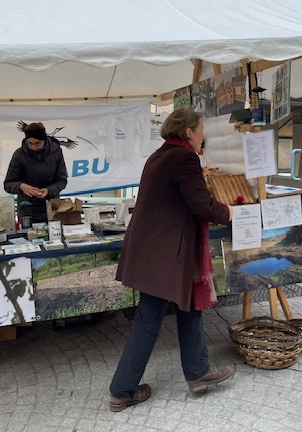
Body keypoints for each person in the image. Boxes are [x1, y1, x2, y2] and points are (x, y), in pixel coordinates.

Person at [109, 107, 234, 412]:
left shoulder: (160, 155)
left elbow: (180, 195)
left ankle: (198, 372)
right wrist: (229, 213)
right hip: (163, 254)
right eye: (201, 129)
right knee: (149, 318)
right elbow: (201, 204)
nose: (203, 135)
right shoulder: (184, 158)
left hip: (156, 250)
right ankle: (121, 391)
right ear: (189, 131)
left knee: (189, 306)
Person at [4, 122, 68, 223]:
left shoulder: (56, 152)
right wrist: (21, 186)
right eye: (30, 143)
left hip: (52, 207)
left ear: (44, 140)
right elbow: (8, 184)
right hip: (27, 210)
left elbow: (62, 180)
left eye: (37, 143)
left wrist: (49, 190)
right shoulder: (19, 155)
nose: (33, 147)